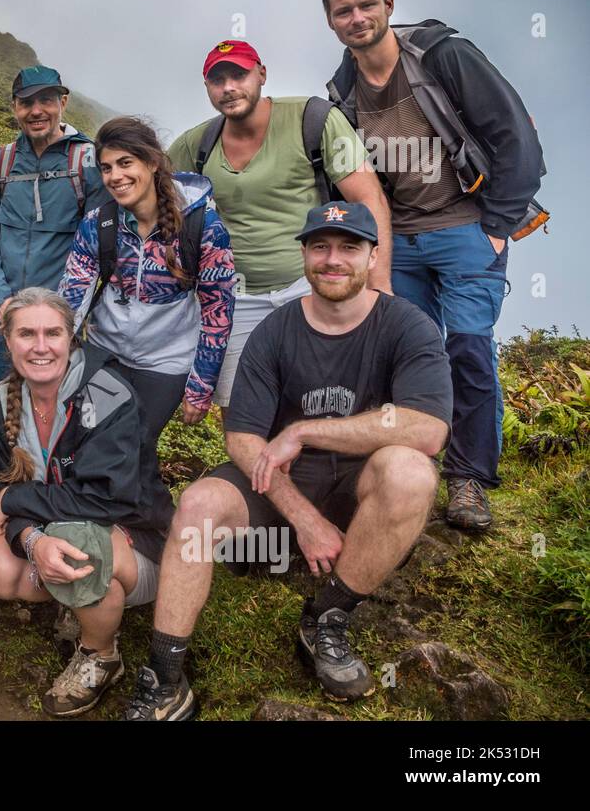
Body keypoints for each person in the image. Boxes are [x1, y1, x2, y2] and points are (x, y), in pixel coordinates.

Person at [124, 201, 451, 721]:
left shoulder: (408, 326)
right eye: (320, 246)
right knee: (199, 503)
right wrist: (303, 518)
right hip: (278, 486)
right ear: (304, 254)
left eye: (348, 247)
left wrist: (305, 429)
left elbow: (427, 429)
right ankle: (164, 674)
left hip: (360, 488)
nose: (333, 259)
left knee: (411, 471)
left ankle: (327, 617)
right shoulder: (274, 331)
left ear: (372, 255)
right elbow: (244, 440)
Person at [322, 0, 547, 531]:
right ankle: (409, 467)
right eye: (343, 10)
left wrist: (495, 225)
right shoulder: (342, 89)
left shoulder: (444, 56)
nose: (356, 17)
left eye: (367, 4)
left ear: (389, 6)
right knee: (411, 358)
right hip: (401, 243)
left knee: (468, 349)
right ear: (330, 20)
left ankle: (469, 481)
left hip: (467, 227)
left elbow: (515, 135)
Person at [165, 40, 391, 412]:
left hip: (311, 284)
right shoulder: (196, 144)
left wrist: (379, 286)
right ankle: (254, 470)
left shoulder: (312, 119)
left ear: (262, 74)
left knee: (329, 396)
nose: (229, 87)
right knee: (242, 406)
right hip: (234, 297)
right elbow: (154, 200)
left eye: (239, 74)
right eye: (216, 80)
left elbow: (369, 200)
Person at [0, 288, 167, 718]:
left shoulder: (106, 392)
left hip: (137, 541)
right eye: (26, 334)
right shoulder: (0, 400)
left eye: (53, 333)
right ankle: (76, 600)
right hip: (58, 528)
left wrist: (16, 499)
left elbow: (105, 500)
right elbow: (3, 495)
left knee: (76, 541)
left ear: (72, 337)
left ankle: (100, 655)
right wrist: (30, 539)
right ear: (7, 341)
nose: (41, 346)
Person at [59, 116, 236, 513]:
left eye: (126, 163)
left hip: (166, 360)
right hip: (105, 350)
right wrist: (51, 353)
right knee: (90, 435)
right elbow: (72, 293)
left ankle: (153, 529)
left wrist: (200, 386)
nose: (115, 177)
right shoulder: (100, 221)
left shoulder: (203, 225)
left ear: (153, 162)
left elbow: (218, 310)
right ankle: (98, 524)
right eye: (106, 168)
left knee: (135, 443)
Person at [0, 66, 107, 386]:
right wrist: (1, 300)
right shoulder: (0, 161)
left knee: (56, 410)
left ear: (63, 101)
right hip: (1, 318)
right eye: (25, 102)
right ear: (14, 107)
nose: (36, 111)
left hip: (58, 320)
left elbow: (96, 246)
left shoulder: (88, 162)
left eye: (45, 100)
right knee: (2, 404)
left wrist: (63, 312)